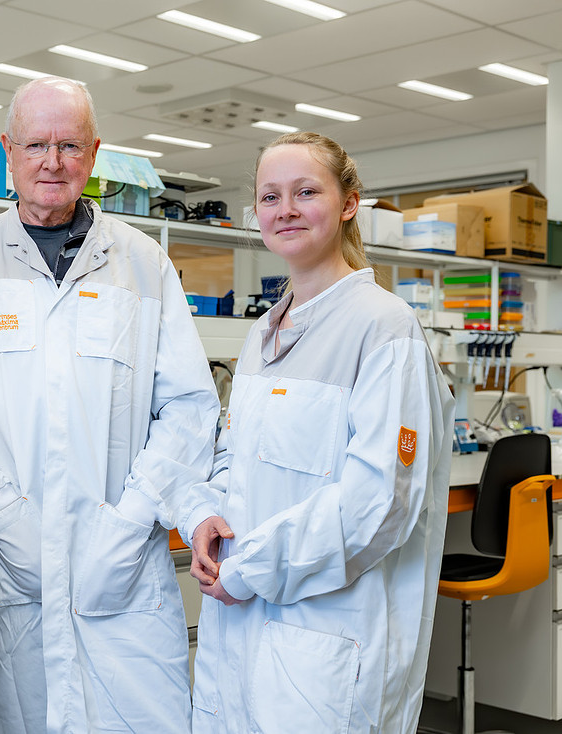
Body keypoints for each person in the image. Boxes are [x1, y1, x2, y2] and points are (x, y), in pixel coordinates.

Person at [0, 77, 220, 732]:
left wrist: (132, 516)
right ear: (8, 150)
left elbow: (189, 408)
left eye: (69, 145)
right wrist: (3, 513)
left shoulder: (144, 265)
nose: (52, 162)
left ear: (94, 152)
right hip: (14, 561)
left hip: (125, 567)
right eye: (36, 145)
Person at [181, 131, 455, 733]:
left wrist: (248, 570)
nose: (286, 210)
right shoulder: (263, 334)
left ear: (348, 203)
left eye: (306, 192)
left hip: (326, 641)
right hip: (240, 627)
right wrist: (205, 515)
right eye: (270, 196)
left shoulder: (383, 327)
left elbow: (378, 504)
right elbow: (234, 459)